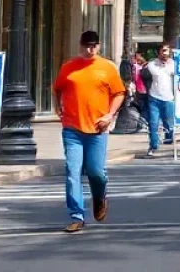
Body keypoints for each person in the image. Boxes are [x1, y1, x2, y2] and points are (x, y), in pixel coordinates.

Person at [53, 30, 127, 233]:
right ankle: (76, 216)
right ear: (80, 45)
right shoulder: (69, 67)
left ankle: (99, 197)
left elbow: (119, 93)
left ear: (99, 46)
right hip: (72, 128)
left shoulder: (107, 68)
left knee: (96, 172)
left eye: (93, 45)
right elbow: (58, 87)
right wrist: (57, 106)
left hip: (97, 129)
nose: (90, 49)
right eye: (86, 45)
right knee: (72, 172)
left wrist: (110, 115)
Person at [140, 42, 175, 157]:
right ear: (159, 52)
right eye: (163, 51)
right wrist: (163, 64)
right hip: (154, 98)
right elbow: (155, 73)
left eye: (167, 51)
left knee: (168, 124)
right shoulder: (152, 65)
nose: (165, 53)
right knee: (153, 123)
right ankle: (153, 145)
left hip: (169, 99)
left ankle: (169, 138)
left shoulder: (173, 64)